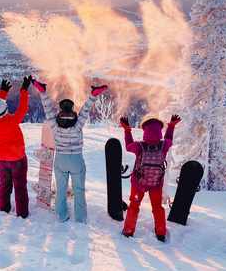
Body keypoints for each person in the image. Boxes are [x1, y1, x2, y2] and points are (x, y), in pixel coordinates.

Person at [32, 79, 107, 222]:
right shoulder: (77, 125)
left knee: (61, 189)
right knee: (79, 190)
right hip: (76, 159)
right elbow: (85, 109)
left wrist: (43, 92)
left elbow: (47, 109)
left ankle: (61, 215)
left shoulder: (55, 125)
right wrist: (93, 95)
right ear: (72, 110)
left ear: (60, 110)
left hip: (60, 159)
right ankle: (81, 218)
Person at [120, 114, 180, 242]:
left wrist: (127, 130)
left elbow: (128, 145)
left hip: (138, 183)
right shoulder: (163, 146)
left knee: (134, 206)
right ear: (159, 131)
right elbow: (169, 139)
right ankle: (161, 233)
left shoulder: (139, 146)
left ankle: (128, 231)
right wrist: (171, 126)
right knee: (157, 208)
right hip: (156, 184)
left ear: (145, 131)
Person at [0, 76, 32, 218]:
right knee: (20, 187)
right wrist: (24, 89)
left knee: (4, 186)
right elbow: (23, 107)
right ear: (5, 109)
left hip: (1, 161)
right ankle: (22, 214)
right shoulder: (12, 121)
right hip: (18, 160)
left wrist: (2, 93)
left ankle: (4, 210)